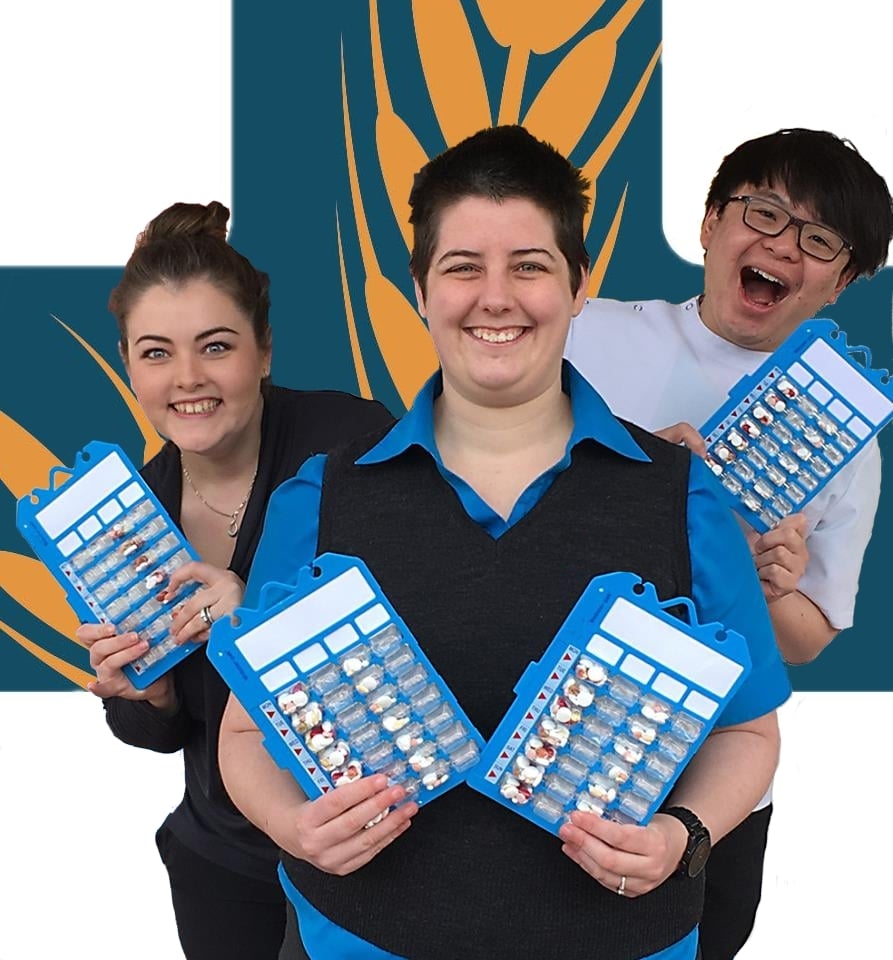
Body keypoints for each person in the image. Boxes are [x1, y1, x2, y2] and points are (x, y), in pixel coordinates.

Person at [217, 126, 791, 960]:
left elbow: (747, 731)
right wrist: (290, 826)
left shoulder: (682, 495)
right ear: (419, 288)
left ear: (578, 284)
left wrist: (683, 834)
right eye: (462, 267)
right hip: (360, 941)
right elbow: (244, 733)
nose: (495, 298)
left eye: (528, 266)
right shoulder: (319, 497)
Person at [564, 127, 893, 959]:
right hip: (553, 732)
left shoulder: (848, 442)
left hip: (715, 783)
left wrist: (767, 589)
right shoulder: (581, 332)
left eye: (818, 239)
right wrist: (623, 472)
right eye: (764, 212)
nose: (782, 245)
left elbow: (809, 640)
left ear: (842, 282)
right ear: (711, 222)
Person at [75, 201, 393, 960]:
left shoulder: (351, 441)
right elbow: (163, 734)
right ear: (128, 365)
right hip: (222, 863)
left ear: (264, 351)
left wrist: (257, 618)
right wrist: (146, 695)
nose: (188, 379)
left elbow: (431, 631)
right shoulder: (128, 520)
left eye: (215, 346)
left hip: (370, 843)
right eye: (156, 353)